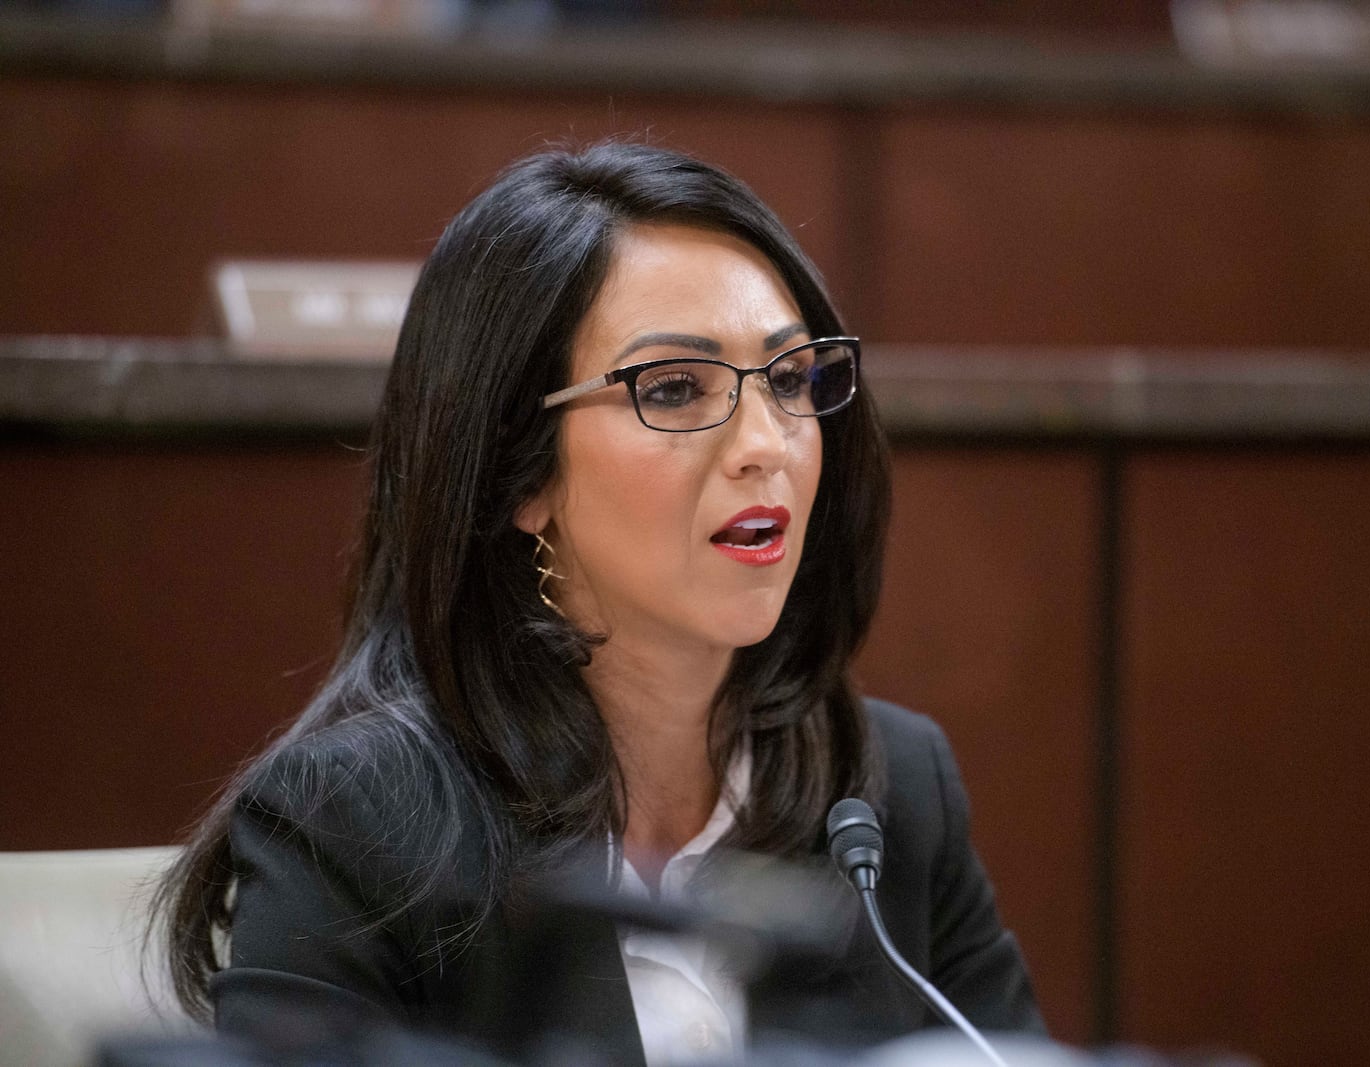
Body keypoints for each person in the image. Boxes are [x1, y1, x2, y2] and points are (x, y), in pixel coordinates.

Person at [153, 141, 1042, 1064]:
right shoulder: (356, 825)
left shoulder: (885, 786)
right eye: (673, 389)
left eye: (788, 379)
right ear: (519, 476)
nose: (766, 443)